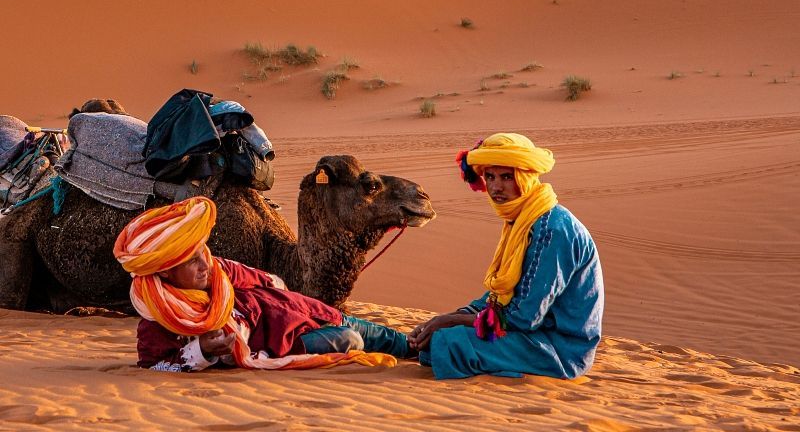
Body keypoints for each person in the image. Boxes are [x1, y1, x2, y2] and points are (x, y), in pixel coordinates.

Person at [113, 196, 409, 372]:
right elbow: (156, 366)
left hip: (301, 310)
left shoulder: (221, 270)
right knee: (351, 340)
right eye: (191, 261)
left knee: (393, 339)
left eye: (203, 252)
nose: (205, 265)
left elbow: (271, 281)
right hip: (286, 342)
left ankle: (430, 346)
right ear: (164, 272)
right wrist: (203, 349)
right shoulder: (160, 318)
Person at [408, 133, 603, 379]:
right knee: (435, 339)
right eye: (490, 176)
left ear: (526, 178)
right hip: (534, 336)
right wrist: (447, 318)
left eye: (506, 177)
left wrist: (451, 321)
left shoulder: (551, 230)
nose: (496, 187)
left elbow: (525, 317)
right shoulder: (523, 220)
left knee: (449, 343)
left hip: (560, 349)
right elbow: (500, 297)